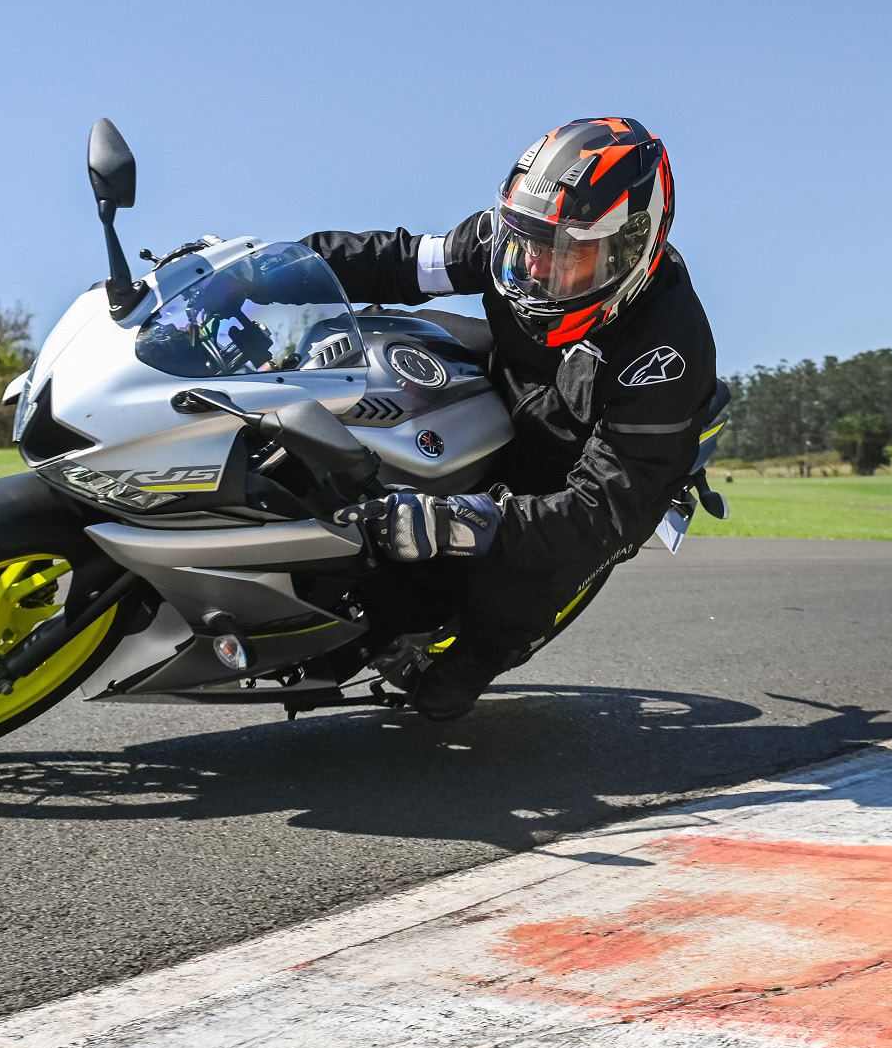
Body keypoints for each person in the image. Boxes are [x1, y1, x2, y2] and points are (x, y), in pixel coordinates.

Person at [304, 116, 718, 721]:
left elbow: (607, 512)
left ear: (632, 247)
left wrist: (457, 524)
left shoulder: (669, 352)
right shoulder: (517, 241)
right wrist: (271, 265)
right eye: (529, 243)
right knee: (367, 344)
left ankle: (484, 654)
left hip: (573, 466)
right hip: (509, 381)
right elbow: (398, 262)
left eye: (568, 256)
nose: (536, 269)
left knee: (504, 593)